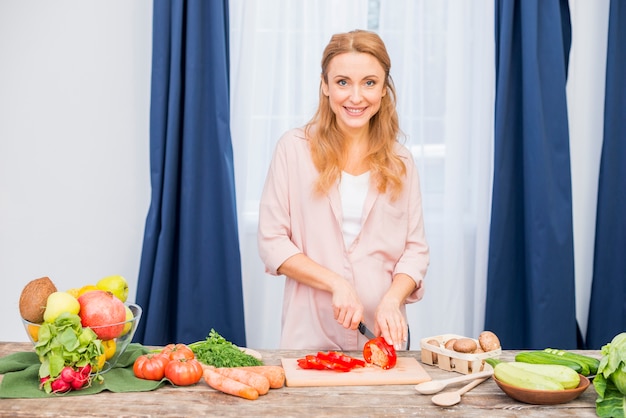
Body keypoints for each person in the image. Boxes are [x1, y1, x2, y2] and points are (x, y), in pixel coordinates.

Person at [257, 29, 429, 351]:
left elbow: (415, 250)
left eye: (369, 82)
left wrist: (393, 299)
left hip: (381, 338)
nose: (355, 97)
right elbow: (272, 241)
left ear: (383, 90)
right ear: (324, 85)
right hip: (309, 334)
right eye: (342, 82)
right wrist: (336, 282)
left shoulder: (401, 161)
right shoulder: (293, 150)